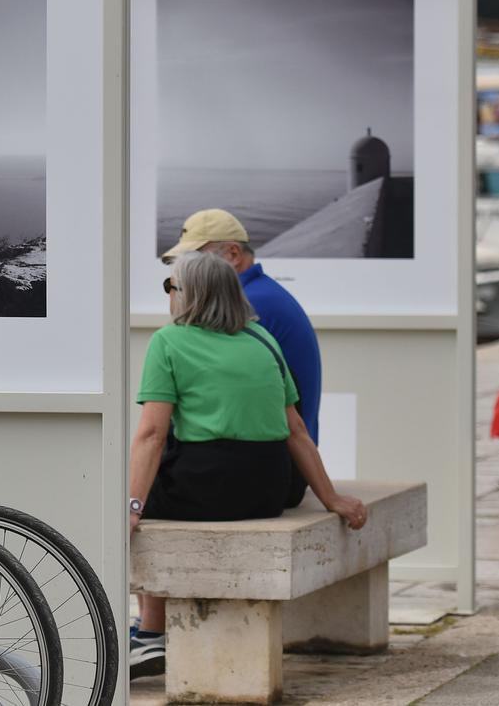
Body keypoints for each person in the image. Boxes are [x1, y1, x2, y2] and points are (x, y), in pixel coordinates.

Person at [128, 251, 367, 680]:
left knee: (132, 495)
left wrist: (131, 506)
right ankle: (151, 631)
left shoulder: (169, 341)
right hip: (267, 488)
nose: (168, 296)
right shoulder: (263, 339)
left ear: (189, 294)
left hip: (203, 486)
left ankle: (150, 633)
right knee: (153, 481)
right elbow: (297, 430)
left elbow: (151, 435)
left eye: (170, 287)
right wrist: (331, 498)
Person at [161, 208, 323, 508]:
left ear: (233, 254)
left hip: (273, 466)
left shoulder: (249, 304)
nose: (186, 271)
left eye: (194, 259)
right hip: (282, 461)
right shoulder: (264, 293)